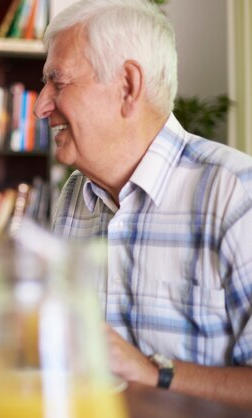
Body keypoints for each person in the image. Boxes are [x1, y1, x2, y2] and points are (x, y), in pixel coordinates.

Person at [35, 0, 252, 408]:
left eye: (58, 83)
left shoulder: (236, 194)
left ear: (128, 86)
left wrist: (155, 373)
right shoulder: (73, 198)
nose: (40, 105)